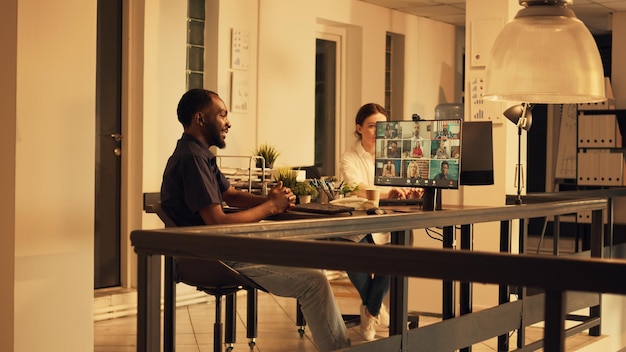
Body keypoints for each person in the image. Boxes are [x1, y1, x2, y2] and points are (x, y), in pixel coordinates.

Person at [160, 89, 350, 351]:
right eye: (223, 115)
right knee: (314, 282)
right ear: (200, 119)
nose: (228, 122)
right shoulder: (192, 158)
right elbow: (216, 221)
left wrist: (270, 200)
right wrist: (271, 207)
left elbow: (231, 194)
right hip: (213, 258)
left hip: (222, 249)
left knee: (309, 266)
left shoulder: (199, 153)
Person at [339, 103, 422, 341]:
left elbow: (406, 184)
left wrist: (411, 194)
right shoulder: (349, 156)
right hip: (357, 224)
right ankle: (374, 307)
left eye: (382, 127)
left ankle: (369, 310)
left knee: (402, 247)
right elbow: (356, 188)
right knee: (351, 253)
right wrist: (387, 194)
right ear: (359, 128)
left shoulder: (395, 154)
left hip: (387, 222)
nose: (377, 132)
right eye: (372, 126)